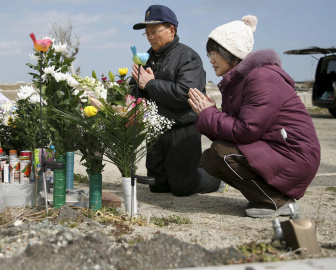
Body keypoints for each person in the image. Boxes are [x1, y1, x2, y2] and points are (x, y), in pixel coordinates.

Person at [188, 15, 321, 218]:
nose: (211, 60)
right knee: (210, 159)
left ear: (231, 51)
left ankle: (276, 201)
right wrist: (211, 114)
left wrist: (210, 115)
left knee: (220, 152)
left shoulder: (261, 78)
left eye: (214, 53)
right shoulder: (238, 82)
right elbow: (236, 133)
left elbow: (247, 130)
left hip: (295, 154)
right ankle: (267, 196)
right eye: (209, 54)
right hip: (278, 150)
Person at [131, 4, 222, 196]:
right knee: (157, 186)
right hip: (156, 129)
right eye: (147, 33)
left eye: (154, 31)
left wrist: (149, 84)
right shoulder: (146, 59)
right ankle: (190, 168)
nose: (150, 36)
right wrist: (138, 87)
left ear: (171, 30)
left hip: (182, 128)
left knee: (182, 188)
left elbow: (185, 94)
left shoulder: (188, 57)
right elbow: (136, 91)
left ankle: (216, 176)